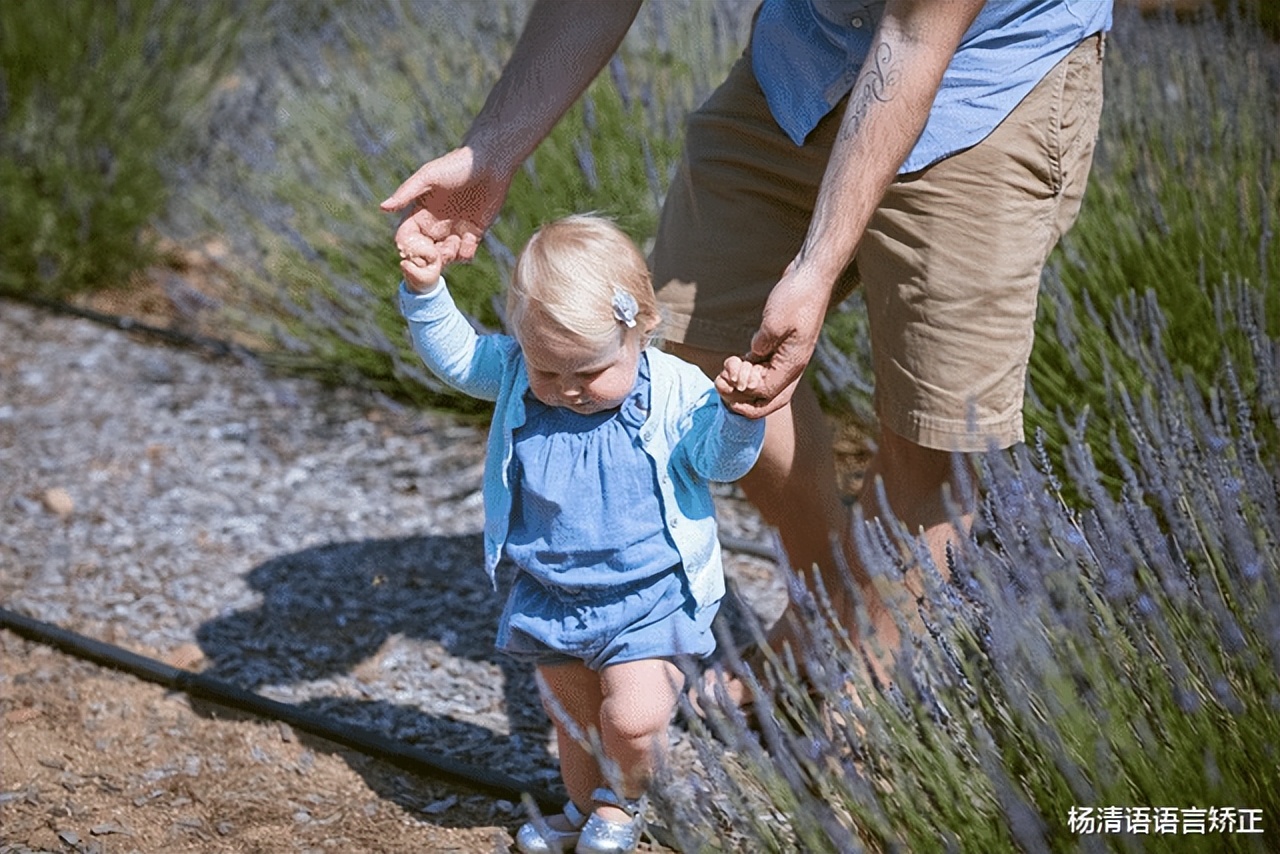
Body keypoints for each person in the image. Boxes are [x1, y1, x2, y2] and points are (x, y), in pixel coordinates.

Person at [383, 0, 1111, 687]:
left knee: (934, 431)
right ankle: (825, 607)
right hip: (806, 62)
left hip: (985, 88)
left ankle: (862, 705)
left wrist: (816, 268)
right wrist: (491, 153)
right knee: (697, 353)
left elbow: (916, 36)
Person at [396, 214, 765, 854]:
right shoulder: (516, 374)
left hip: (650, 596)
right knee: (572, 723)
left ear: (642, 329)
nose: (568, 390)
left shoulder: (674, 391)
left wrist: (739, 419)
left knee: (634, 716)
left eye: (588, 372)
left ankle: (621, 807)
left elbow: (719, 464)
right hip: (552, 593)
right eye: (548, 371)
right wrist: (427, 292)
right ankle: (582, 807)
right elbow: (458, 358)